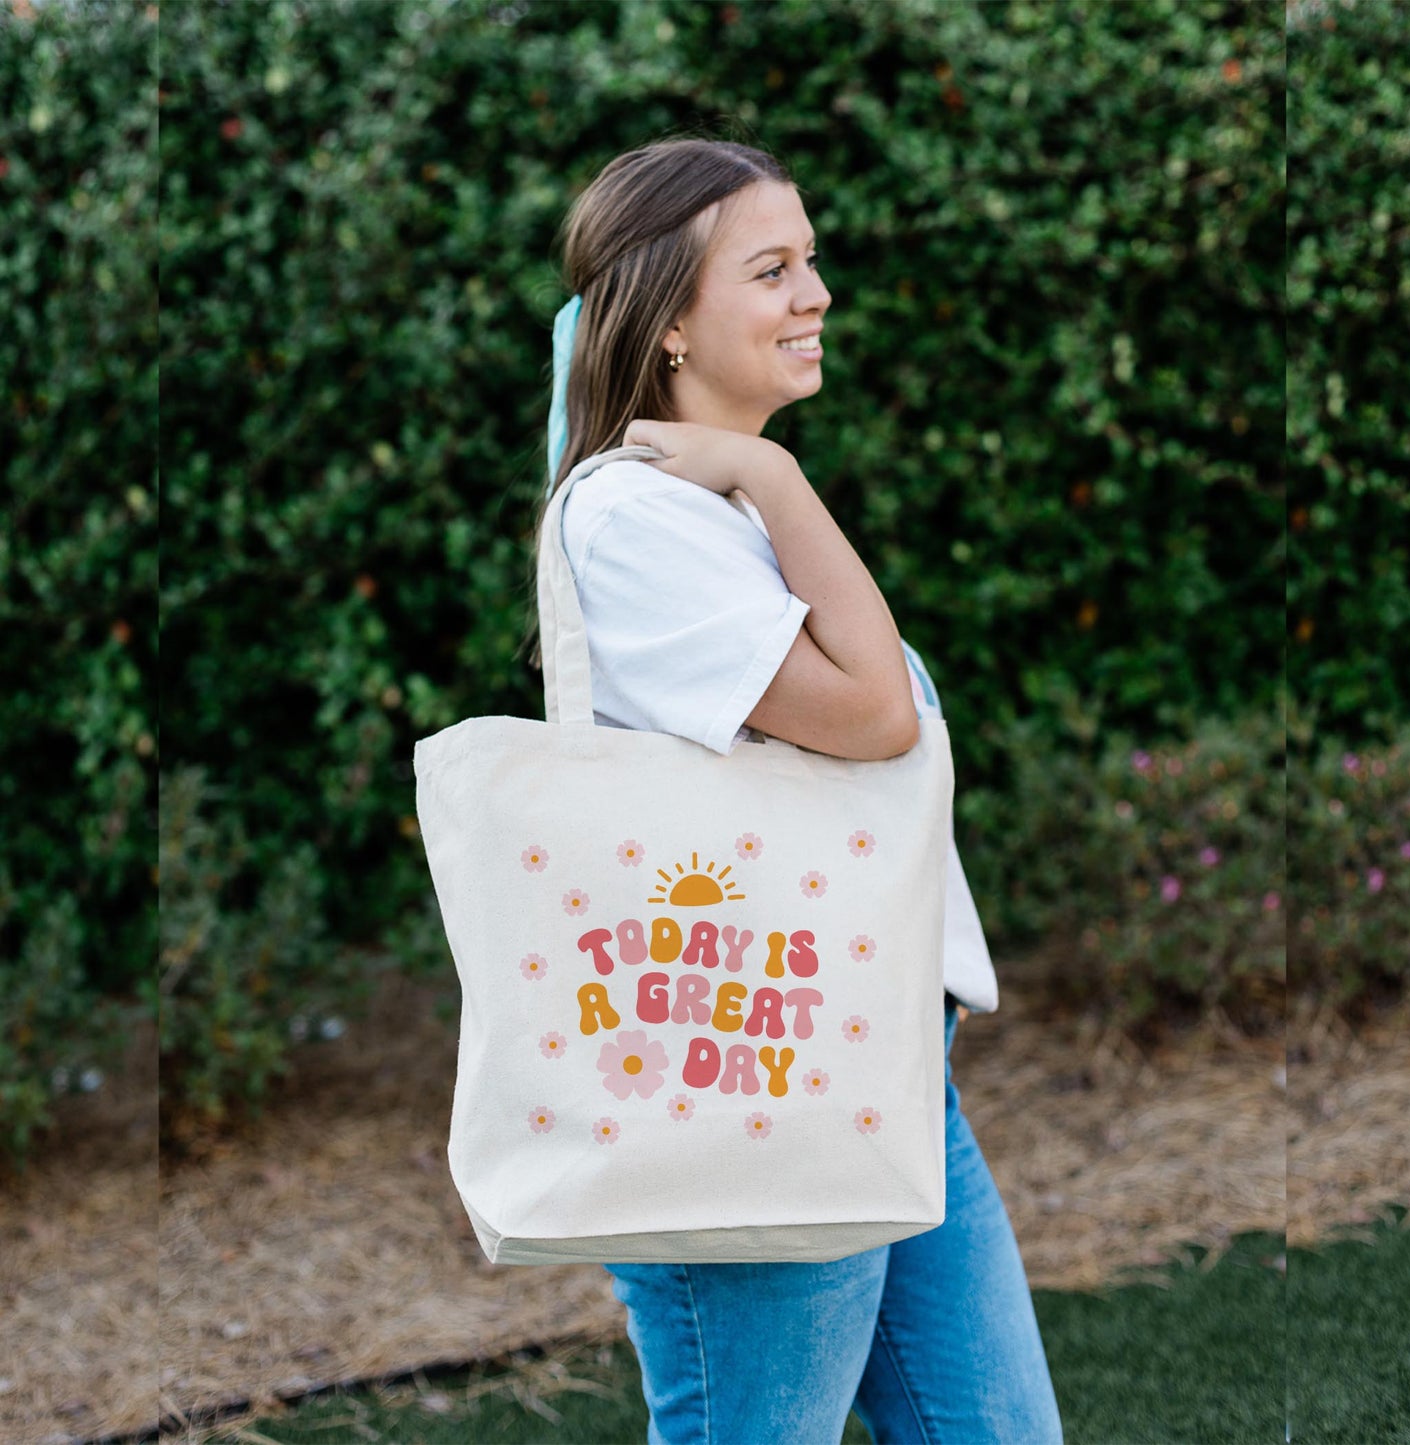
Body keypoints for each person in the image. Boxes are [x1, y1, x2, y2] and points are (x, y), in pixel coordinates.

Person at [527, 137, 1064, 1445]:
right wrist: (773, 472)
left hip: (870, 1054)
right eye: (771, 270)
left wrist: (757, 484)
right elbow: (876, 716)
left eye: (810, 260)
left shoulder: (713, 511)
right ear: (665, 321)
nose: (816, 293)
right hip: (754, 1074)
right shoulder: (639, 522)